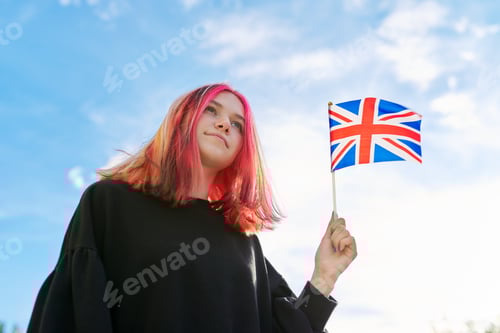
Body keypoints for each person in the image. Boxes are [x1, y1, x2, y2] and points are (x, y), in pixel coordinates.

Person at [27, 83, 357, 333]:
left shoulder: (243, 242)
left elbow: (284, 328)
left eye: (237, 123)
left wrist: (325, 276)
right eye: (211, 111)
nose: (225, 124)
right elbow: (72, 313)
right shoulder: (108, 203)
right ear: (182, 120)